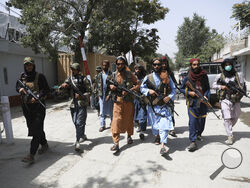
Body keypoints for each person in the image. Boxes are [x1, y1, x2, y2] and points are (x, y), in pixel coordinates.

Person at [16, 57, 50, 164]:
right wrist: (20, 89)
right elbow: (17, 86)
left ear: (33, 65)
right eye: (26, 65)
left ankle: (31, 154)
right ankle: (44, 144)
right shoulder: (22, 77)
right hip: (27, 108)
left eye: (30, 65)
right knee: (35, 128)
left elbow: (47, 89)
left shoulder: (40, 76)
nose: (28, 67)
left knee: (35, 130)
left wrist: (39, 96)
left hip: (39, 108)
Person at [141, 58, 176, 155]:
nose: (156, 66)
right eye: (154, 64)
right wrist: (149, 91)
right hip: (152, 106)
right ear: (152, 65)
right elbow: (142, 88)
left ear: (161, 65)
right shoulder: (148, 77)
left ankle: (163, 146)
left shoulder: (166, 76)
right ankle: (158, 136)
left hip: (163, 105)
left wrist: (169, 97)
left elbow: (173, 90)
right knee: (155, 125)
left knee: (164, 125)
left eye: (158, 64)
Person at [108, 56, 140, 151]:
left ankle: (129, 136)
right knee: (116, 121)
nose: (120, 65)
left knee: (129, 119)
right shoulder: (113, 75)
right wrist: (111, 86)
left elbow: (138, 84)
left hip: (128, 101)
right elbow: (107, 84)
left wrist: (130, 90)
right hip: (117, 101)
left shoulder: (130, 74)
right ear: (116, 65)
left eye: (122, 63)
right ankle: (116, 143)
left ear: (125, 64)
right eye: (118, 64)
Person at [180, 58, 210, 152]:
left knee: (201, 121)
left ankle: (198, 134)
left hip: (202, 102)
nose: (196, 66)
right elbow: (181, 88)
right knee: (193, 121)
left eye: (197, 64)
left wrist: (205, 96)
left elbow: (208, 88)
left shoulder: (204, 75)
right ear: (191, 65)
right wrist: (189, 93)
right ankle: (192, 141)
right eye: (194, 65)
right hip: (192, 102)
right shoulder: (188, 77)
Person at [60, 63, 91, 151]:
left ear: (78, 69)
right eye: (72, 69)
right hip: (72, 104)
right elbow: (64, 86)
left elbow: (90, 91)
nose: (73, 71)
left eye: (74, 69)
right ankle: (82, 134)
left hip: (82, 103)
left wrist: (81, 96)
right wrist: (63, 86)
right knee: (75, 121)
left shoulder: (84, 79)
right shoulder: (69, 79)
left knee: (79, 122)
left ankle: (77, 141)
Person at [212, 58, 244, 145]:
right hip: (225, 99)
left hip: (235, 99)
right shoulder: (220, 76)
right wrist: (221, 87)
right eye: (226, 65)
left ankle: (228, 126)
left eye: (229, 64)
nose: (228, 66)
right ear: (223, 66)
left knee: (237, 115)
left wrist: (239, 91)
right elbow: (213, 85)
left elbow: (242, 86)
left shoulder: (238, 75)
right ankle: (230, 136)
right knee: (227, 117)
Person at [161, 56, 178, 137]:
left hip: (169, 96)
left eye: (165, 63)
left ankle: (171, 129)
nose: (164, 65)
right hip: (160, 96)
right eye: (162, 63)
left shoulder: (170, 73)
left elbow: (174, 82)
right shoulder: (157, 72)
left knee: (171, 112)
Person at [95, 60, 113, 132]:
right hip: (102, 95)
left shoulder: (112, 74)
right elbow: (97, 85)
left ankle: (112, 124)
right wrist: (98, 95)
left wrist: (109, 95)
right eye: (103, 65)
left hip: (110, 95)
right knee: (102, 111)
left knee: (111, 111)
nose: (104, 67)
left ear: (108, 66)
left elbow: (114, 86)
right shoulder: (99, 75)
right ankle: (102, 125)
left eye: (106, 65)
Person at [134, 64, 147, 140]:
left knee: (142, 115)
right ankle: (139, 126)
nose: (137, 70)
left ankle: (142, 130)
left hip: (143, 99)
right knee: (135, 115)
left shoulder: (144, 78)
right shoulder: (133, 78)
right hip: (135, 98)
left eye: (139, 69)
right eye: (136, 69)